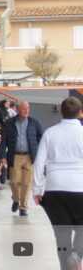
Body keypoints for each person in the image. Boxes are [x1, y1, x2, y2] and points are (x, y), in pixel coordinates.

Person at [33, 97, 83, 270]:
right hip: (79, 186)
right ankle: (77, 254)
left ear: (61, 112)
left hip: (54, 188)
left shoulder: (50, 133)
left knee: (62, 234)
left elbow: (40, 162)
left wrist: (37, 189)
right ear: (80, 113)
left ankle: (66, 266)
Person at [0, 100, 44, 217]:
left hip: (29, 156)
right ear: (18, 110)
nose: (26, 111)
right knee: (14, 181)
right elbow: (3, 141)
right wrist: (2, 156)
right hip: (15, 156)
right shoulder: (9, 123)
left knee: (26, 183)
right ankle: (15, 199)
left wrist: (37, 149)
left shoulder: (34, 122)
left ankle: (23, 208)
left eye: (27, 108)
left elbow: (41, 137)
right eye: (23, 109)